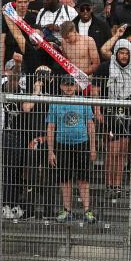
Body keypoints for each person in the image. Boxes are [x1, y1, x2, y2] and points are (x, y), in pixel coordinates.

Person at [45, 74, 98, 223]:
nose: (69, 87)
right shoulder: (55, 103)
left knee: (84, 179)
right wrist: (51, 151)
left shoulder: (82, 101)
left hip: (81, 143)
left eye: (71, 84)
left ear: (75, 86)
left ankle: (87, 210)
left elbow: (90, 125)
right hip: (62, 145)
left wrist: (93, 147)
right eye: (66, 84)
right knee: (65, 179)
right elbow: (50, 127)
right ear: (61, 86)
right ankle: (67, 210)